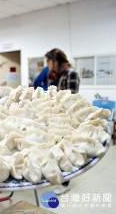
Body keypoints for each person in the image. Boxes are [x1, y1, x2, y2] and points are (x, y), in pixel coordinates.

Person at [45, 48, 80, 195]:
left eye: (49, 61)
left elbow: (72, 99)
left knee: (64, 150)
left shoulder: (71, 74)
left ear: (56, 60)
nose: (47, 64)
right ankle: (56, 175)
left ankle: (65, 182)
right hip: (54, 117)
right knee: (54, 148)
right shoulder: (52, 75)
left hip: (66, 117)